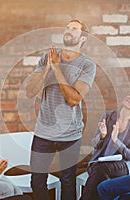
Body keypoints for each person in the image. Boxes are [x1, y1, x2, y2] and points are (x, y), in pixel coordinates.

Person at [25, 19, 96, 200]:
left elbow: (73, 99)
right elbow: (29, 92)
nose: (68, 30)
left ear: (83, 38)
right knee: (37, 181)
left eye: (74, 28)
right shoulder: (47, 57)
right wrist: (47, 68)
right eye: (67, 27)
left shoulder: (87, 65)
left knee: (67, 180)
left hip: (70, 135)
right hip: (44, 131)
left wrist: (56, 69)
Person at [80, 90, 130, 200]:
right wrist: (102, 136)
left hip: (121, 166)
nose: (129, 97)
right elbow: (94, 144)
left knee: (100, 170)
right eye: (129, 94)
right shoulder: (108, 116)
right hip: (100, 162)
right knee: (100, 173)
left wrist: (116, 141)